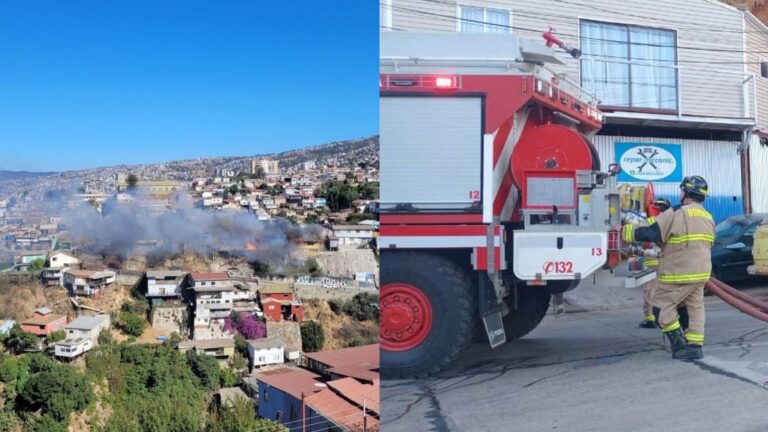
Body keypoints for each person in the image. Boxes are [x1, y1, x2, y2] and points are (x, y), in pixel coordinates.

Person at [623, 176, 714, 360]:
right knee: (695, 307)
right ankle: (695, 346)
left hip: (678, 273)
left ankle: (679, 345)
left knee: (661, 307)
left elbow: (651, 232)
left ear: (685, 193)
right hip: (702, 272)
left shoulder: (677, 212)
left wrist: (624, 231)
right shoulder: (707, 216)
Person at [637, 197, 671, 329]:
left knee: (650, 290)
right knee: (664, 290)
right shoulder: (671, 222)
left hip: (651, 262)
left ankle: (650, 318)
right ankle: (665, 316)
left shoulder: (650, 221)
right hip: (666, 261)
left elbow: (636, 234)